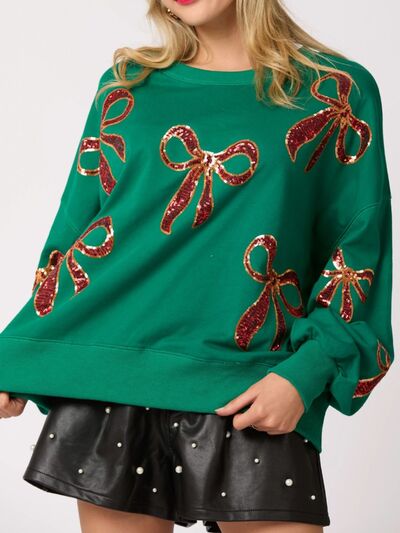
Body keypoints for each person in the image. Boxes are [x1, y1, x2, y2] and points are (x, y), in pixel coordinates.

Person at [0, 0, 394, 532]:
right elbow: (75, 239)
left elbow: (358, 247)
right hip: (113, 382)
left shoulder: (335, 91)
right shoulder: (127, 87)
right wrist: (21, 358)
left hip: (252, 382)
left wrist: (306, 373)